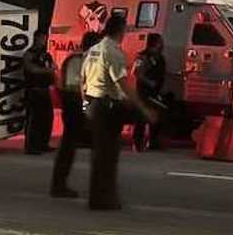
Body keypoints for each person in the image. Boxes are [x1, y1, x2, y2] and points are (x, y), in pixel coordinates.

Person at [80, 15, 157, 210]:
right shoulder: (112, 51)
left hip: (94, 103)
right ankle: (104, 199)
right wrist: (143, 108)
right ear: (120, 29)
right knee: (108, 154)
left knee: (99, 154)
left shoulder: (94, 50)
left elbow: (83, 79)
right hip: (108, 107)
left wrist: (85, 104)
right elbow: (122, 83)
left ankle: (97, 197)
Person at [51, 31, 101, 198]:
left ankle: (62, 184)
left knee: (74, 146)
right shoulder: (78, 60)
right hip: (76, 108)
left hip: (79, 108)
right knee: (69, 147)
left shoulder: (83, 59)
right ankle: (59, 185)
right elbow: (74, 88)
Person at [22, 30, 56, 155]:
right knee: (34, 119)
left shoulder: (45, 54)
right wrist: (46, 70)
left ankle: (43, 143)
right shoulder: (29, 54)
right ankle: (31, 146)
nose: (43, 41)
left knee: (47, 118)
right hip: (34, 90)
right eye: (41, 38)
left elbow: (53, 66)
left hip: (45, 89)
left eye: (44, 39)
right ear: (36, 38)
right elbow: (31, 69)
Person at [132, 34, 167, 152]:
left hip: (155, 93)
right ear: (155, 43)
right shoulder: (142, 56)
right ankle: (137, 143)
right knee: (141, 118)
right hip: (143, 92)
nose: (162, 44)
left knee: (157, 115)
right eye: (160, 42)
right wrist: (149, 82)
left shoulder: (160, 58)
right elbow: (136, 72)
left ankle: (153, 141)